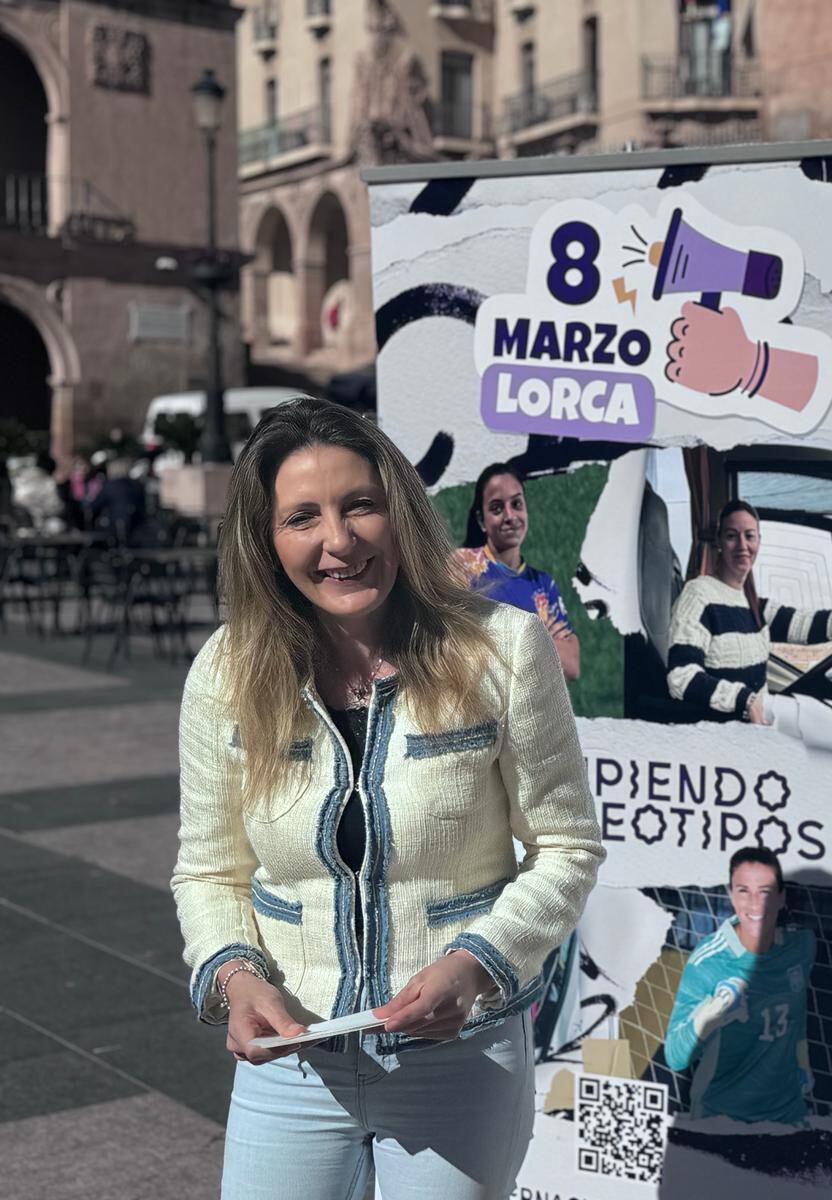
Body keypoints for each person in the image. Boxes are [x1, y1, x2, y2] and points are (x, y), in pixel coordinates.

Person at [170, 397, 603, 1199]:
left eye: (359, 505)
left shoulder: (502, 648)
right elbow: (209, 871)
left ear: (398, 509)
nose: (338, 540)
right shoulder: (226, 674)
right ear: (266, 543)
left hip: (460, 1059)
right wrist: (234, 975)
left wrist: (477, 964)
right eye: (302, 517)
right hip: (294, 1064)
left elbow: (568, 845)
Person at [665, 500, 832, 722]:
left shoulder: (753, 604)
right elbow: (681, 677)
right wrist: (745, 700)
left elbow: (806, 623)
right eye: (731, 536)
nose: (742, 546)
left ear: (759, 541)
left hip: (758, 724)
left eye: (749, 536)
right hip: (725, 734)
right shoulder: (699, 595)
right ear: (718, 542)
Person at [664, 847, 814, 1124]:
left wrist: (802, 1063)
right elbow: (675, 1056)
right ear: (731, 896)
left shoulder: (801, 947)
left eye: (765, 891)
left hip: (786, 1115)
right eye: (744, 891)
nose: (755, 903)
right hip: (723, 1118)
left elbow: (797, 1009)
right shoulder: (710, 961)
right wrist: (708, 1016)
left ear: (781, 897)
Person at [453, 463, 580, 681]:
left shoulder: (543, 585)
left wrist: (492, 640)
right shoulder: (461, 566)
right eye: (497, 508)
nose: (510, 516)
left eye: (517, 504)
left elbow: (570, 666)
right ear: (482, 521)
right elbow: (452, 651)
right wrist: (540, 642)